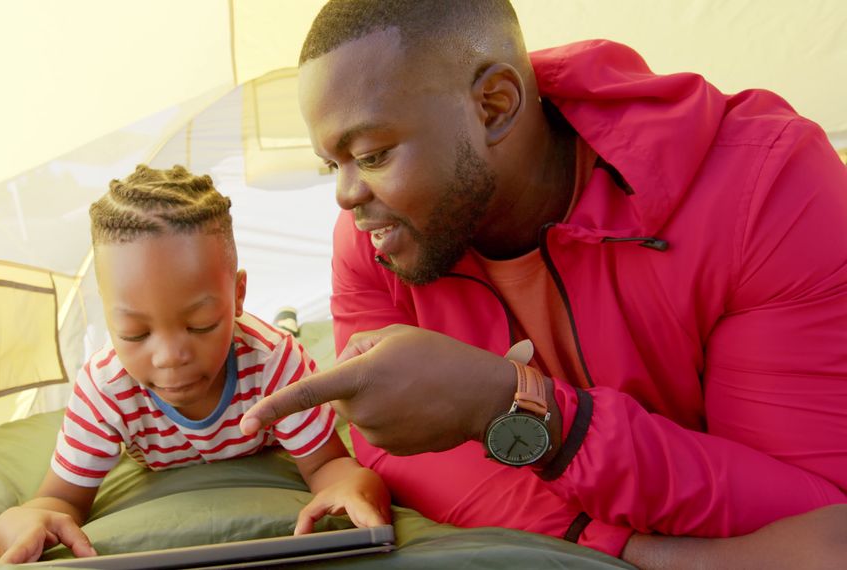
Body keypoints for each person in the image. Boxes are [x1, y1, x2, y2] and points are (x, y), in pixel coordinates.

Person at [240, 1, 847, 567]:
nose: (345, 196)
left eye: (371, 154)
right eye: (332, 164)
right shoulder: (375, 238)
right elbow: (388, 443)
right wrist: (607, 540)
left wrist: (518, 411)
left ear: (495, 105)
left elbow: (818, 520)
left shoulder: (768, 191)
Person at [0, 165, 390, 564]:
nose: (169, 357)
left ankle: (286, 318)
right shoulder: (105, 389)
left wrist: (354, 486)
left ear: (237, 295)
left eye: (200, 325)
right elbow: (58, 499)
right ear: (106, 313)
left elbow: (330, 465)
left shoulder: (275, 362)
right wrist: (23, 521)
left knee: (288, 335)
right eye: (134, 333)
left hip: (270, 366)